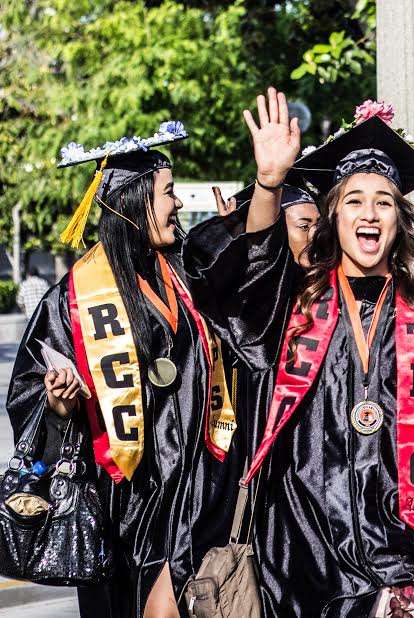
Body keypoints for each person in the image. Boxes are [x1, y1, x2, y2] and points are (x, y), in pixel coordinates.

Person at [182, 89, 414, 616]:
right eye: (354, 200)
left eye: (383, 201)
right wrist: (270, 185)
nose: (369, 213)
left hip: (403, 547)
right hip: (303, 552)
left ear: (398, 219)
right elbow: (245, 280)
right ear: (333, 216)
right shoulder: (295, 303)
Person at [7, 121, 240, 617]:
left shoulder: (184, 275)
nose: (177, 204)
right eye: (169, 193)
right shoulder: (72, 298)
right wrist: (56, 404)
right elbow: (30, 393)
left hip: (192, 490)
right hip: (116, 497)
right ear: (135, 205)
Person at [219, 171, 321, 264]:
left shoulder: (330, 280)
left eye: (319, 225)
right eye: (304, 226)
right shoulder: (257, 281)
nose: (315, 235)